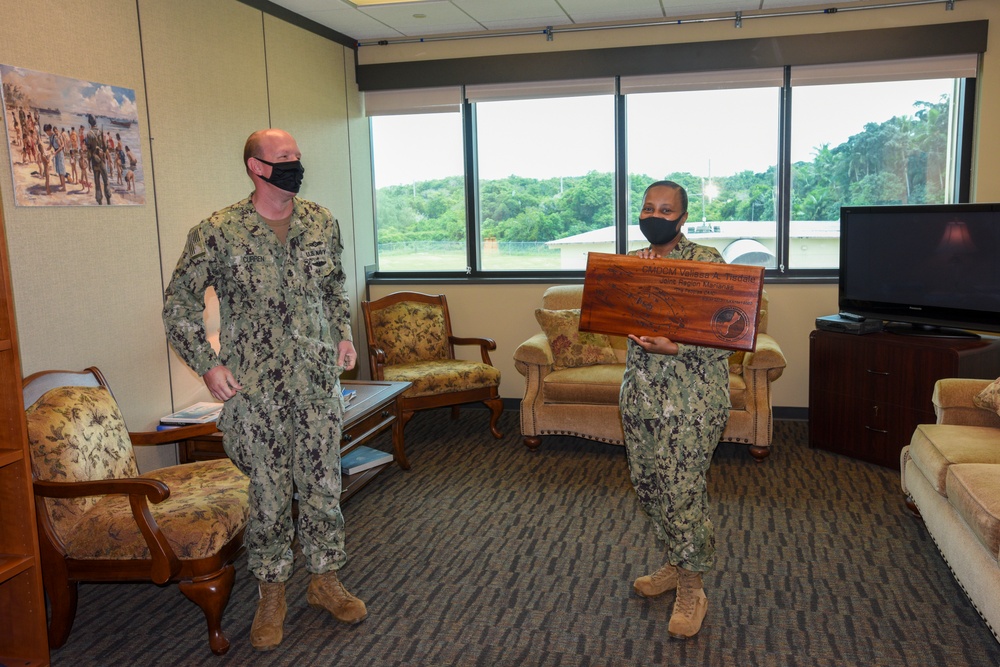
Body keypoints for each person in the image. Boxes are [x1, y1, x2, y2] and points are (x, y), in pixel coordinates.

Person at [162, 128, 364, 652]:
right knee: (270, 495)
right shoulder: (219, 231)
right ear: (256, 166)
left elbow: (333, 286)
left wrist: (343, 335)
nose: (295, 164)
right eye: (283, 158)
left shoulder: (320, 221)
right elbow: (178, 305)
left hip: (317, 380)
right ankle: (271, 592)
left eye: (297, 156)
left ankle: (324, 581)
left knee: (322, 487)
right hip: (257, 391)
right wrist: (207, 366)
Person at [621, 180, 731, 640]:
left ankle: (692, 588)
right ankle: (673, 560)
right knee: (648, 487)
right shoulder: (630, 264)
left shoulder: (707, 263)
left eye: (666, 210)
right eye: (648, 208)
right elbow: (615, 316)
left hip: (692, 402)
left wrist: (677, 347)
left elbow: (729, 337)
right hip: (639, 398)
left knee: (682, 493)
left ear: (683, 218)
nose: (655, 216)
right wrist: (636, 276)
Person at [84, 115, 111, 204]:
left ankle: (99, 202)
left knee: (97, 183)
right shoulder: (101, 132)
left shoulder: (88, 134)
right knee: (106, 181)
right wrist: (108, 158)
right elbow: (105, 147)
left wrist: (88, 162)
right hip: (102, 160)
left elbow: (88, 151)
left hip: (94, 162)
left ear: (89, 123)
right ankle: (108, 200)